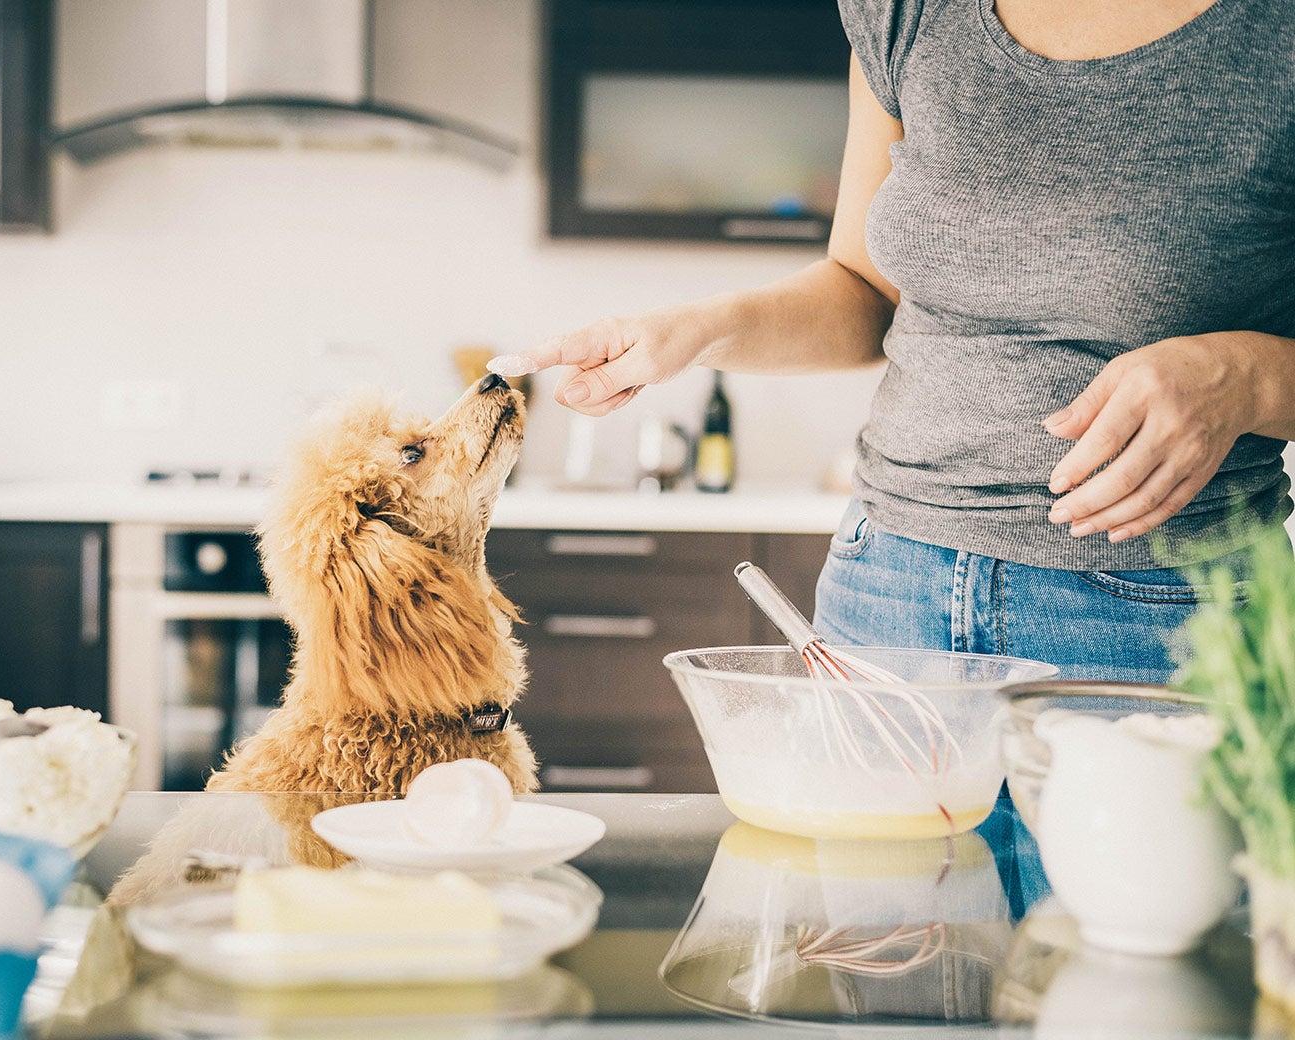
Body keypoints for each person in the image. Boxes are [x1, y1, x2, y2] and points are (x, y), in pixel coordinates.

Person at [506, 0, 1295, 683]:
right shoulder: (907, 14)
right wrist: (691, 331)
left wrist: (1247, 377)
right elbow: (861, 290)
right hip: (887, 587)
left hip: (1166, 611)